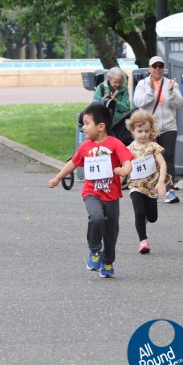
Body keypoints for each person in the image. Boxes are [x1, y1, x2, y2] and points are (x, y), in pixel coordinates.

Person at [49, 102, 132, 278]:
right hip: (91, 192)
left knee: (111, 231)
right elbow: (73, 163)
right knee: (96, 217)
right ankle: (94, 250)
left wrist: (125, 170)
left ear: (101, 126)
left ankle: (107, 261)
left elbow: (127, 161)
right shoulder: (85, 146)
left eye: (87, 123)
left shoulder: (115, 144)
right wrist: (58, 177)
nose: (84, 127)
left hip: (111, 195)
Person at [132, 55, 183, 203]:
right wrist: (150, 90)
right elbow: (138, 102)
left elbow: (179, 103)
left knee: (168, 157)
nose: (158, 69)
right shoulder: (142, 84)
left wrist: (171, 92)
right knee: (148, 158)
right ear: (149, 68)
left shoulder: (171, 83)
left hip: (168, 126)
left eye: (160, 66)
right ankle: (146, 189)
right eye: (155, 66)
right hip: (148, 129)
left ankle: (170, 190)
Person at [124, 110, 168, 254]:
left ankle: (145, 220)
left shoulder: (153, 147)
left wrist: (161, 182)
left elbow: (162, 164)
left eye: (147, 131)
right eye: (140, 131)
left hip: (151, 187)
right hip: (135, 186)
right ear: (132, 130)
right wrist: (117, 184)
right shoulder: (128, 150)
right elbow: (124, 168)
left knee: (153, 217)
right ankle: (143, 241)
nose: (143, 134)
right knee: (139, 212)